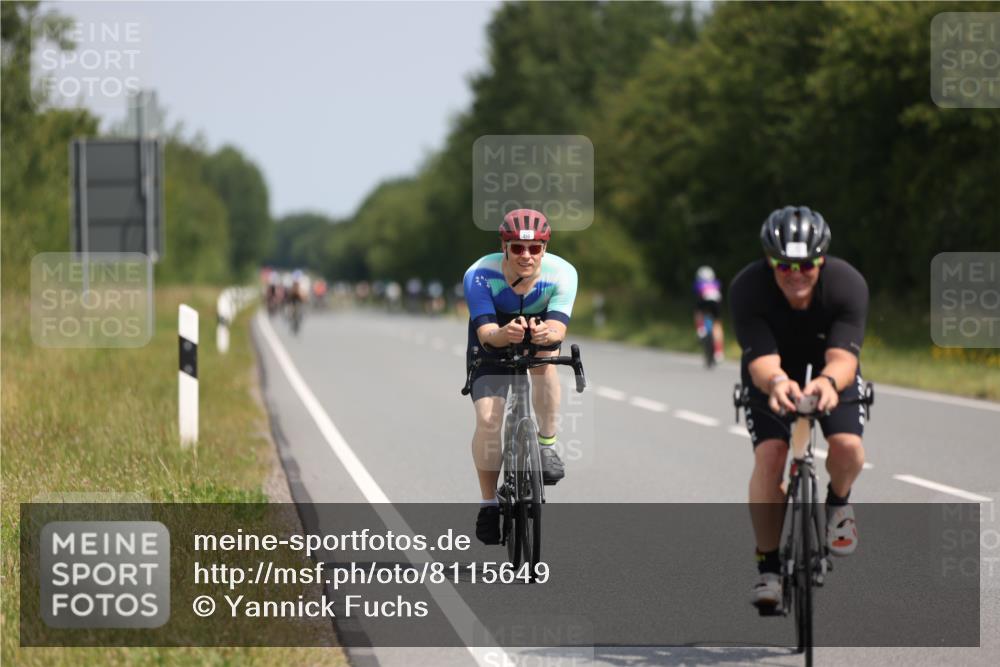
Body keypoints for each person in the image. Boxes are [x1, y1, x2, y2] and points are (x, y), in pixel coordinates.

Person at [729, 206, 869, 611]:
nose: (796, 273)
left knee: (847, 448)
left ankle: (838, 501)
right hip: (770, 373)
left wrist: (827, 383)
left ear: (821, 260)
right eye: (784, 264)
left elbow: (844, 358)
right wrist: (776, 382)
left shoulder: (847, 284)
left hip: (830, 370)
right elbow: (760, 361)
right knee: (770, 456)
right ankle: (768, 567)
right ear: (769, 261)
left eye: (807, 264)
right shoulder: (748, 287)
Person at [463, 208, 578, 545]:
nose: (526, 256)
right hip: (494, 336)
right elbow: (486, 333)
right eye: (517, 248)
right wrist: (505, 334)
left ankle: (547, 445)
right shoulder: (480, 274)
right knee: (488, 419)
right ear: (504, 245)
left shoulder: (562, 274)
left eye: (534, 249)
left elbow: (558, 329)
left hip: (539, 331)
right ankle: (488, 505)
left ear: (545, 248)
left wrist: (547, 335)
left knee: (546, 361)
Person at [693, 265, 724, 363]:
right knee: (717, 324)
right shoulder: (717, 283)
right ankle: (719, 351)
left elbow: (696, 294)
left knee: (698, 311)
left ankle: (700, 328)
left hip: (704, 302)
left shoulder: (698, 283)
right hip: (716, 303)